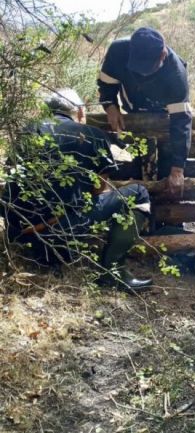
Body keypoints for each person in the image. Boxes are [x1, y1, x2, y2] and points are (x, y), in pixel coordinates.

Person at [3, 89, 153, 292]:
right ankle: (113, 272)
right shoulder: (93, 135)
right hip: (61, 233)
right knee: (138, 193)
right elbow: (99, 189)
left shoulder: (27, 131)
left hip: (19, 234)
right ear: (80, 112)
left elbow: (11, 176)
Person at [97, 27, 191, 196]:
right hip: (132, 110)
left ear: (162, 55)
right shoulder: (118, 52)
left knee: (165, 158)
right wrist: (110, 105)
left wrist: (177, 169)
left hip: (162, 114)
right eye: (137, 68)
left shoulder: (176, 75)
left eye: (148, 69)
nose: (142, 74)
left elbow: (181, 121)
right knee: (130, 162)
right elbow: (106, 85)